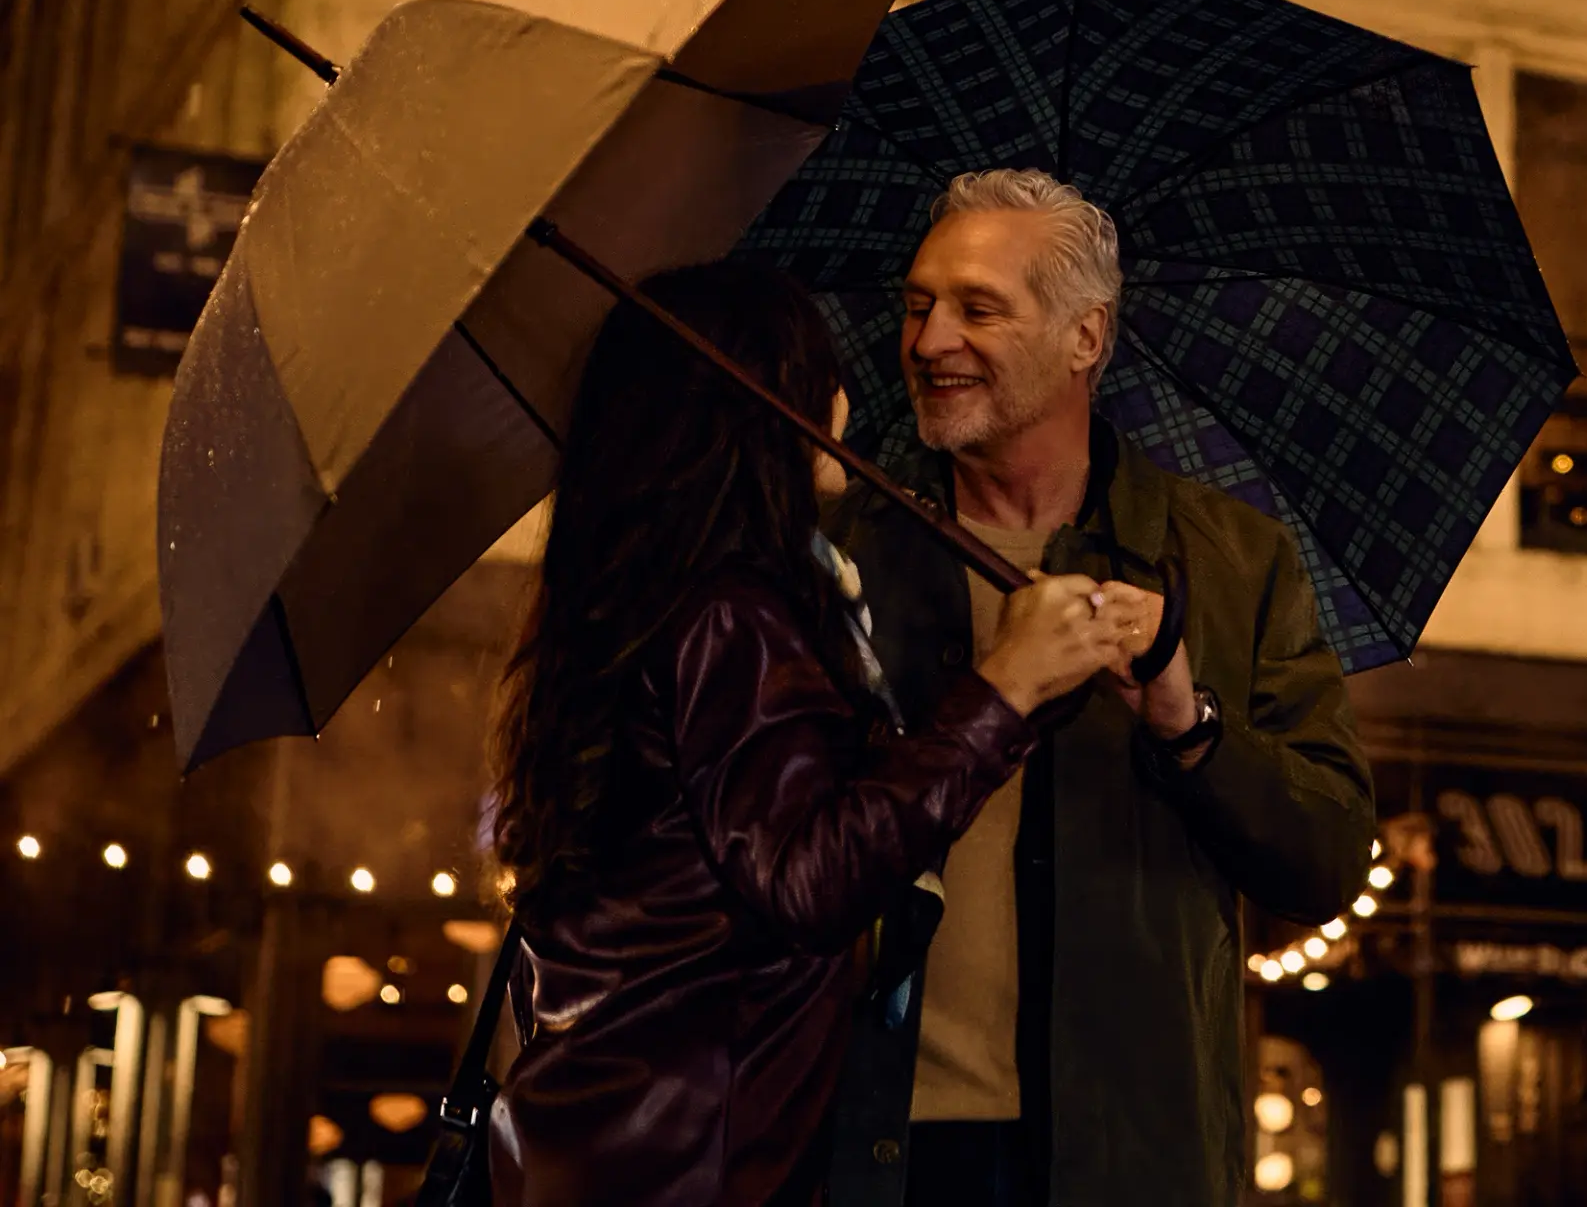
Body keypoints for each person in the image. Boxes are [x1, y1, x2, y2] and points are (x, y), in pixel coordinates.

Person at [485, 261, 1148, 1207]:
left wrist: (1019, 688)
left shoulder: (640, 601)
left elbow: (777, 828)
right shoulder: (732, 618)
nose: (843, 396)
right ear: (757, 406)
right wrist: (1004, 685)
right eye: (818, 370)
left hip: (609, 1148)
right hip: (692, 1166)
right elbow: (811, 877)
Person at [824, 169, 1376, 1207]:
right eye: (916, 305)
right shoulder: (843, 549)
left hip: (1133, 1153)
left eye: (978, 307)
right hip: (873, 1145)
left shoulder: (1225, 558)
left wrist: (1185, 718)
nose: (931, 339)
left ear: (1086, 337)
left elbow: (1329, 857)